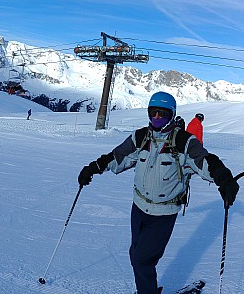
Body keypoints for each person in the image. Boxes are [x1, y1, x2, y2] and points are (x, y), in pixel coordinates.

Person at [77, 92, 239, 294]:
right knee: (135, 254)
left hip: (163, 213)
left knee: (142, 260)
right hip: (139, 207)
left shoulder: (183, 141)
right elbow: (117, 157)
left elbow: (204, 160)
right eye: (152, 113)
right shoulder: (141, 136)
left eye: (162, 114)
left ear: (172, 115)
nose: (156, 118)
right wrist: (93, 168)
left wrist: (223, 177)